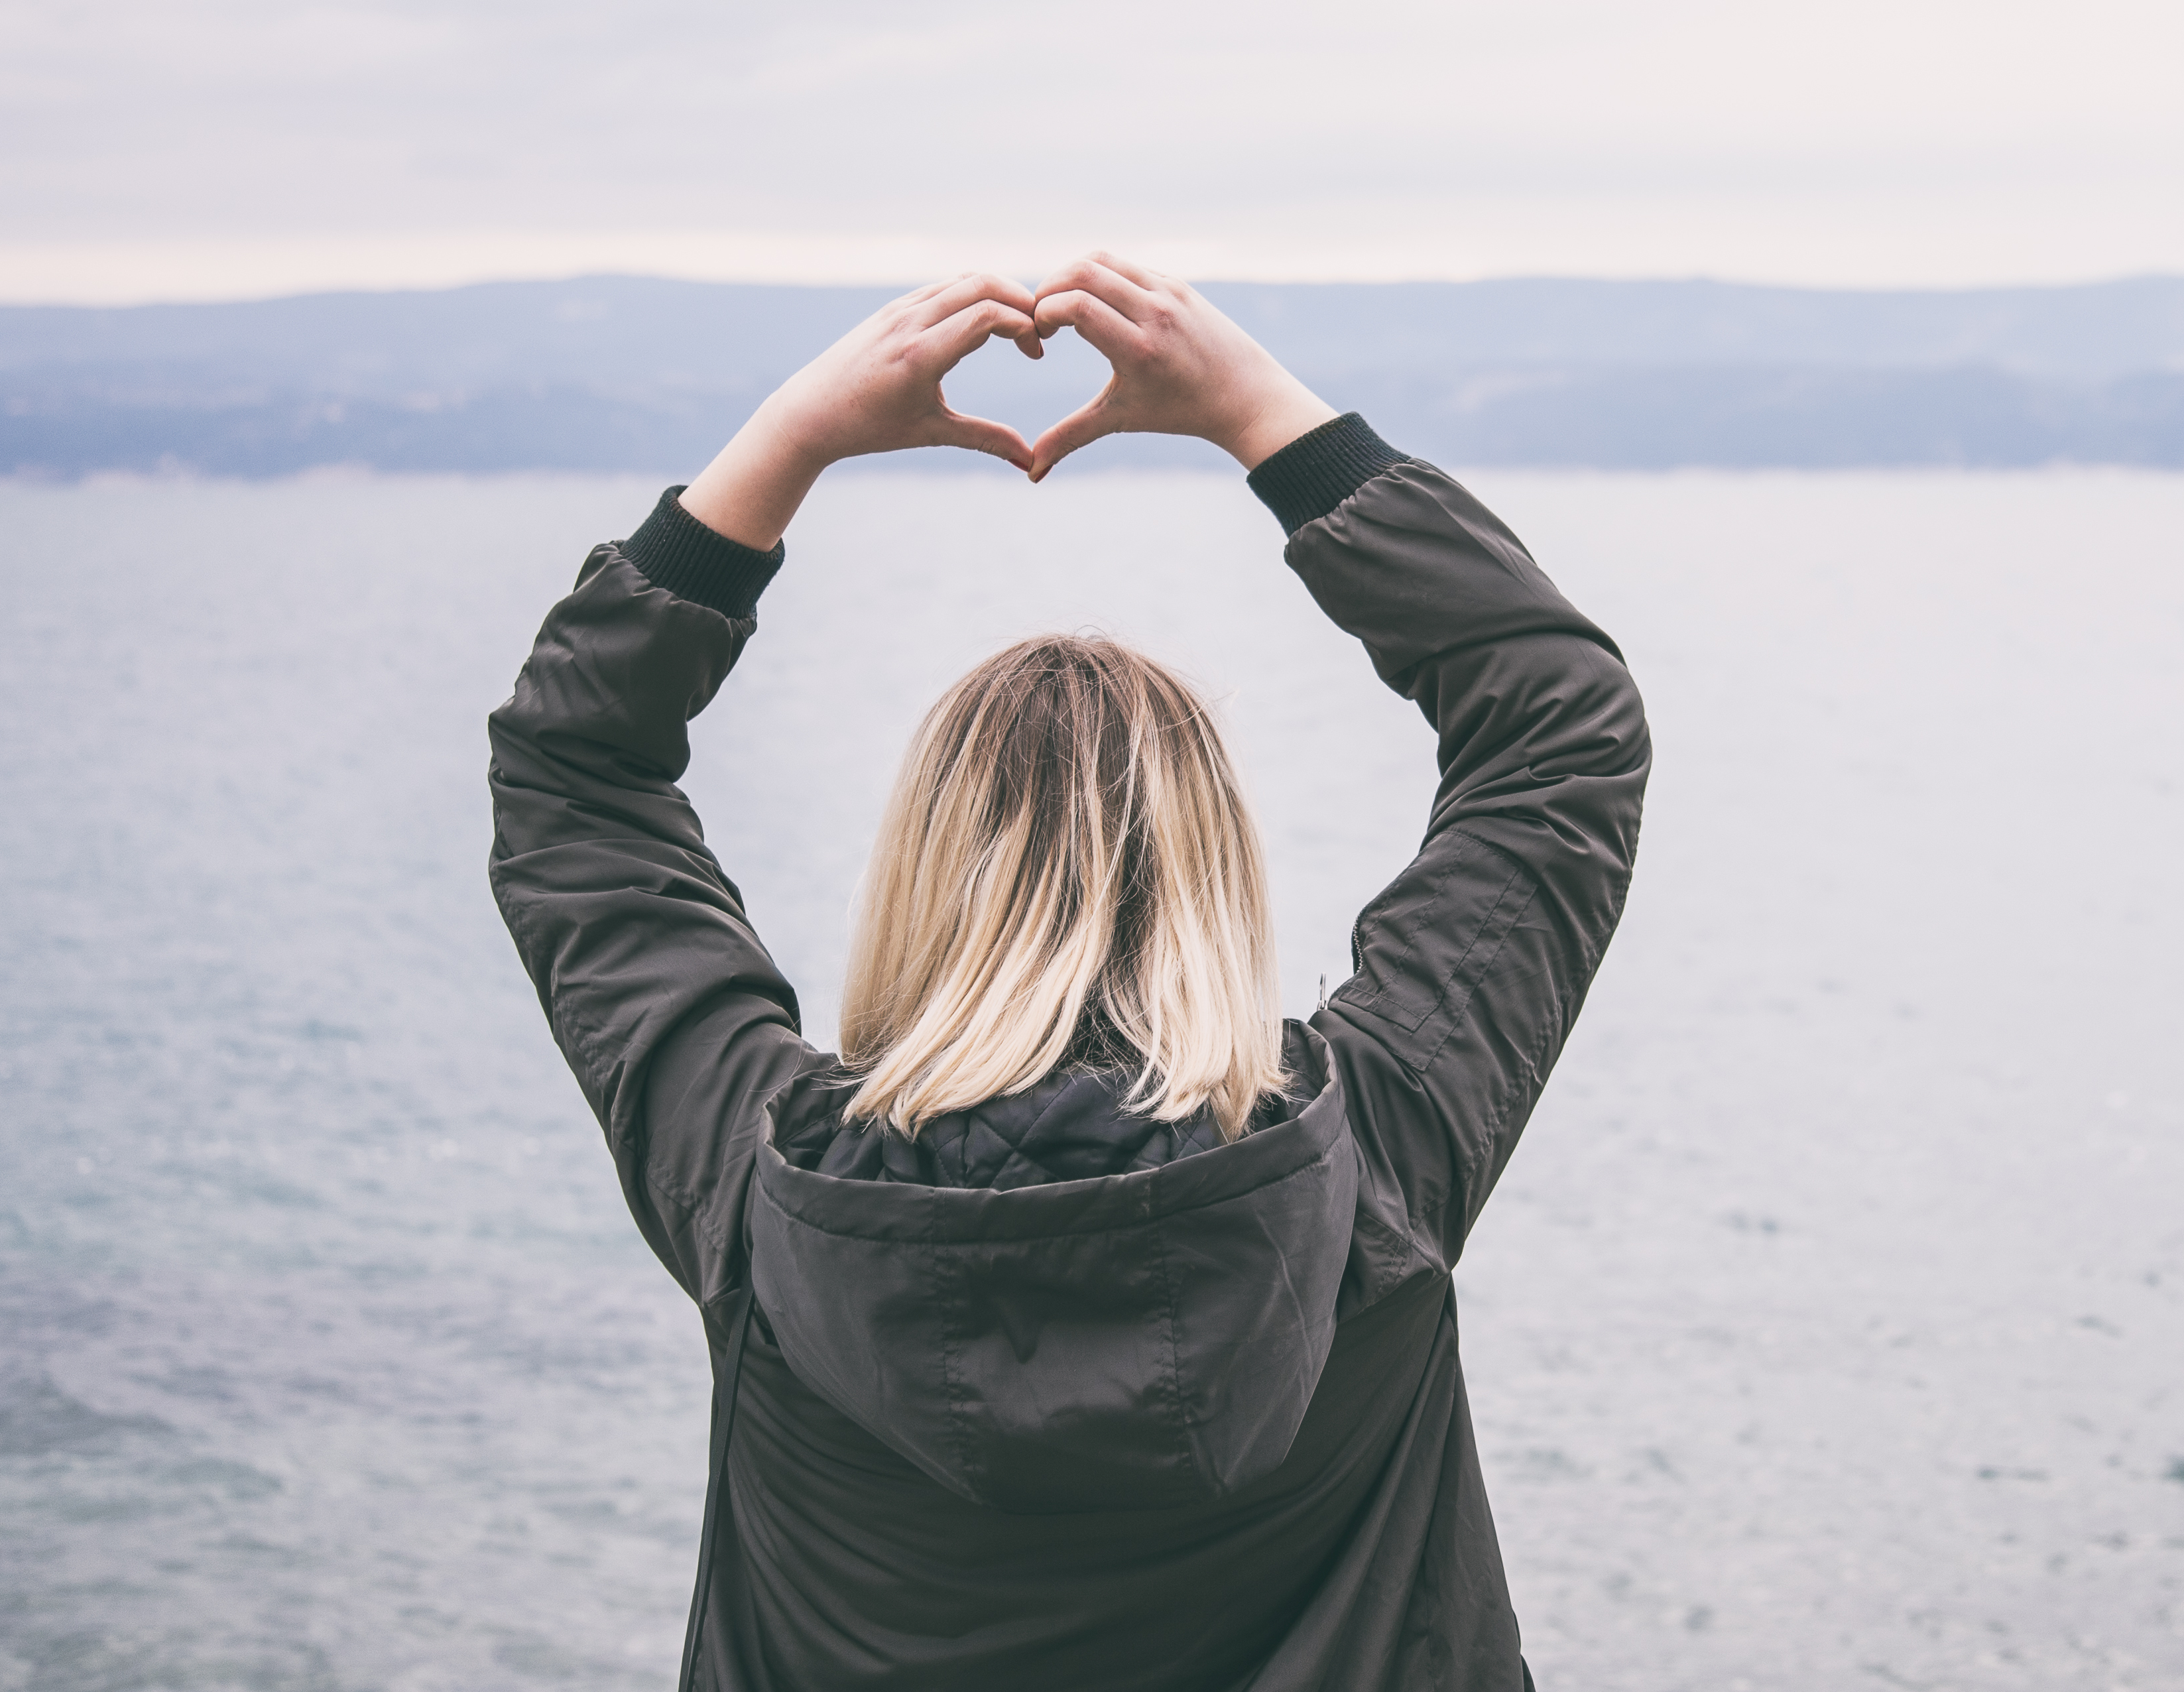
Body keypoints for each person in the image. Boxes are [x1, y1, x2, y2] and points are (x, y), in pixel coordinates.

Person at [485, 257, 1652, 1690]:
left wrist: (786, 443)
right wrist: (1265, 422)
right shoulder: (1374, 1162)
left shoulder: (766, 1191)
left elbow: (571, 780)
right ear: (1215, 875)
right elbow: (1559, 735)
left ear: (923, 876)